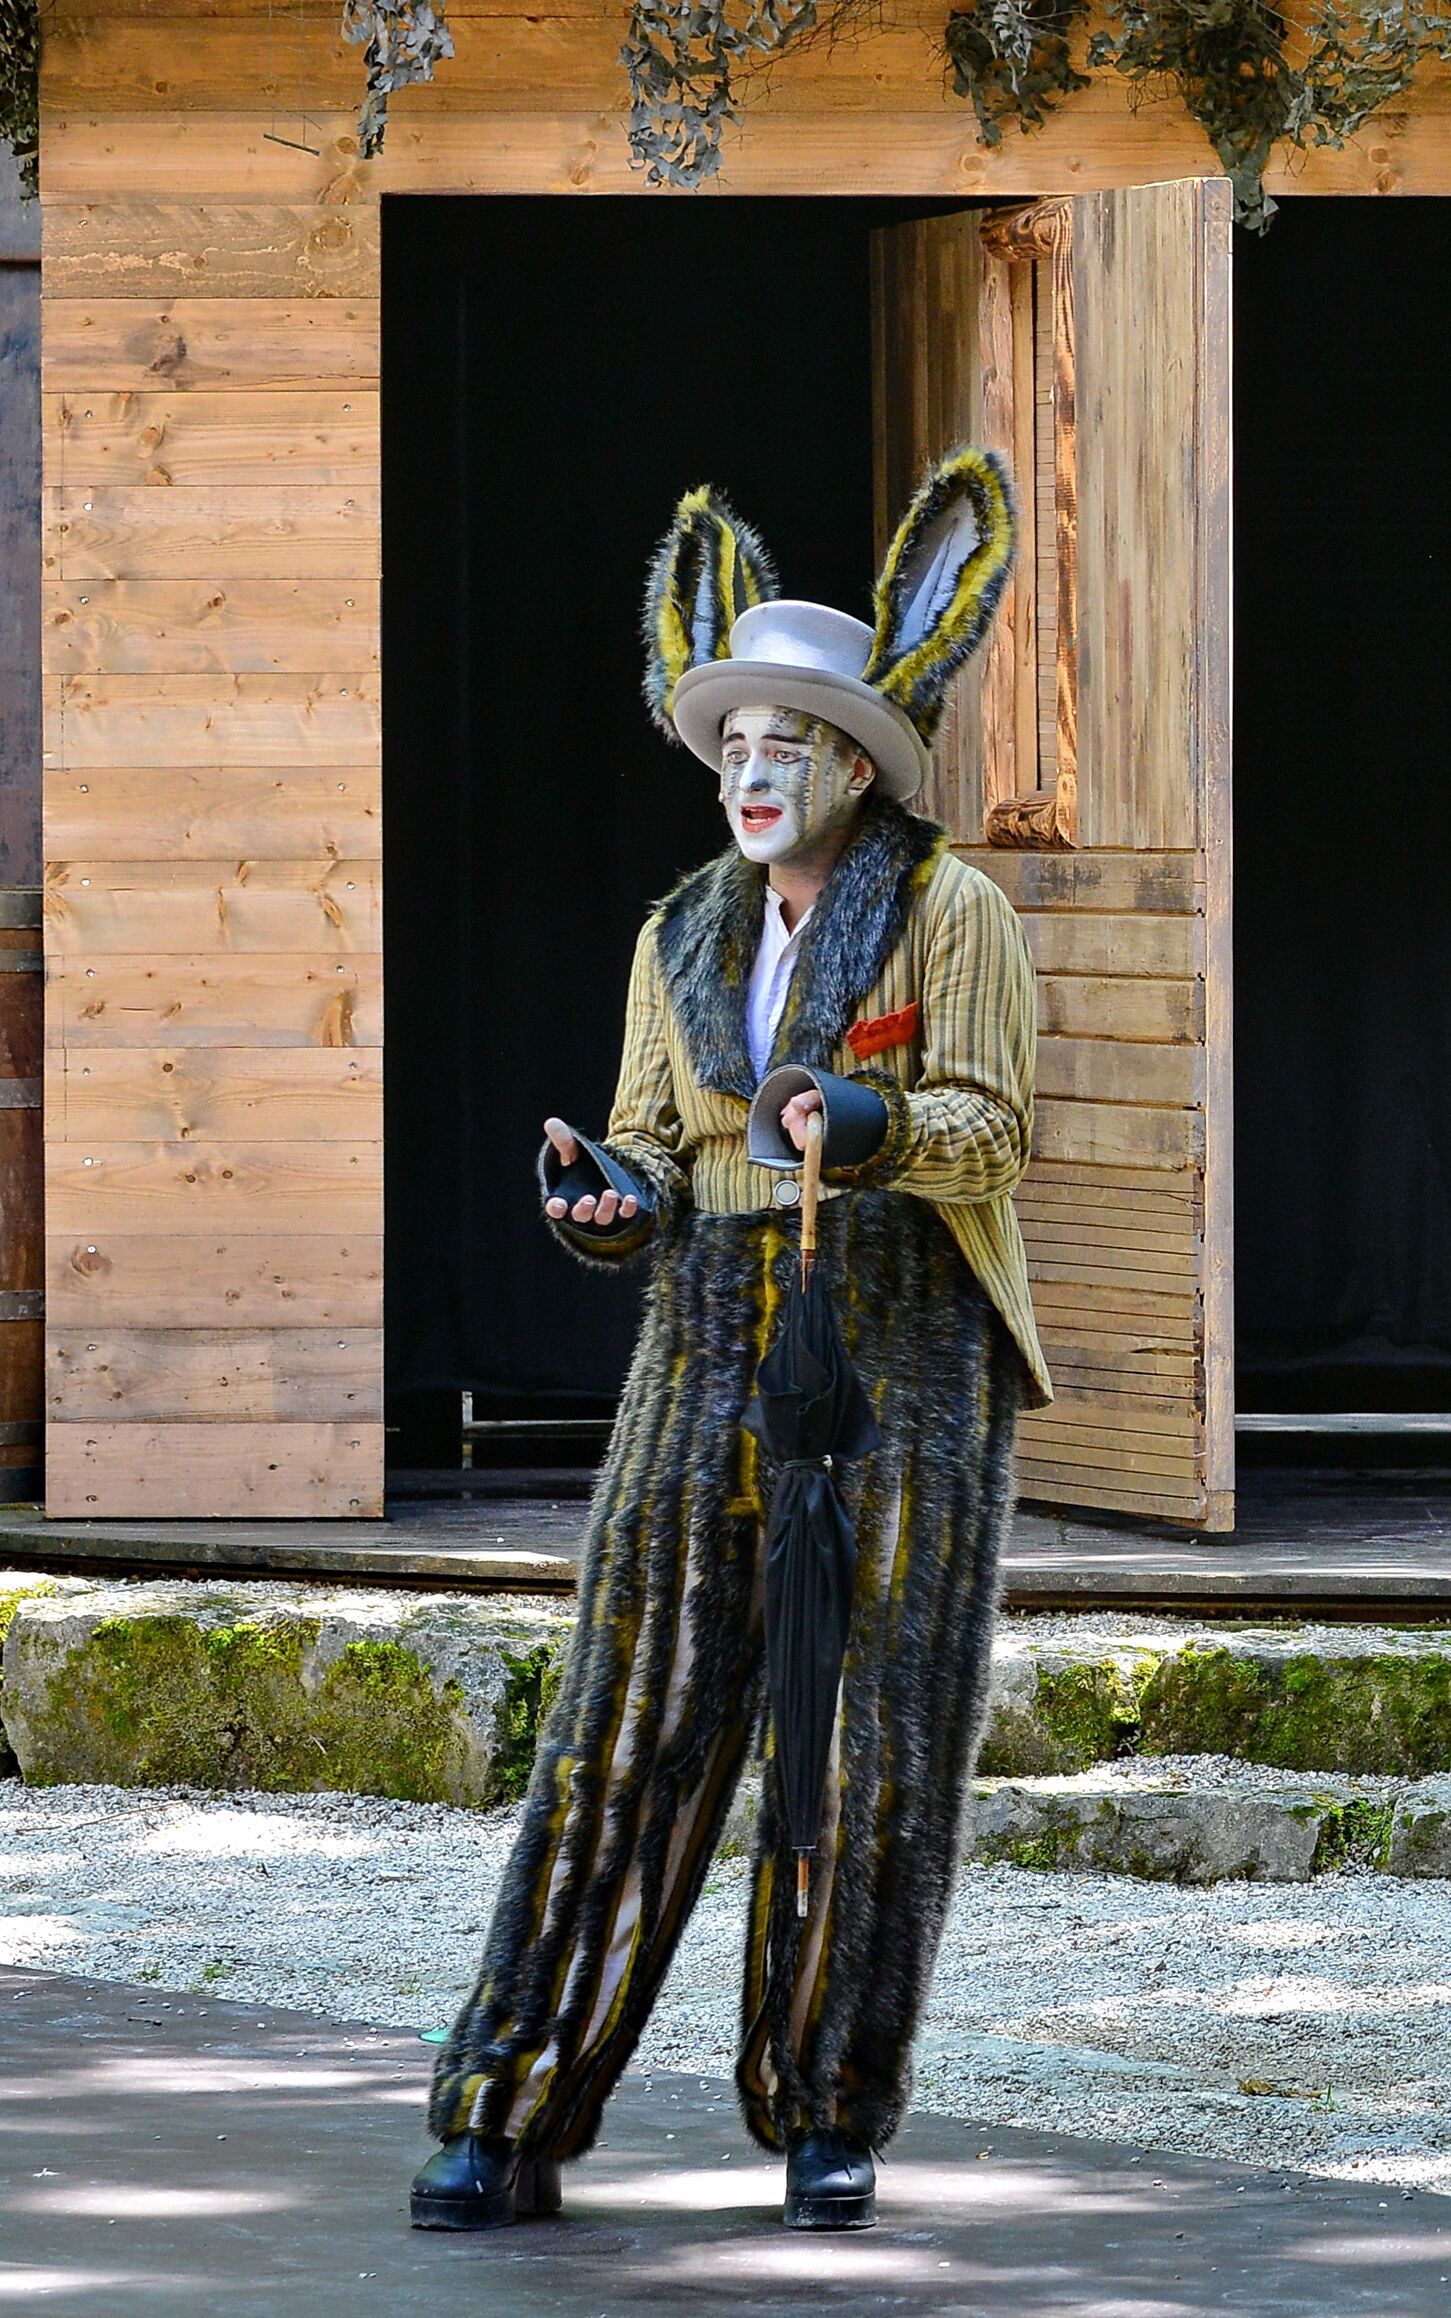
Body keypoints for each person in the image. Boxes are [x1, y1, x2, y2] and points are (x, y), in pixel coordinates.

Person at [411, 452, 1049, 2233]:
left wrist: (871, 1116)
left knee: (865, 1743)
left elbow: (997, 1128)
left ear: (859, 761)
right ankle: (508, 2101)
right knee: (623, 1723)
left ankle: (828, 2106)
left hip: (899, 1348)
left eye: (789, 745)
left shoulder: (952, 910)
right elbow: (656, 1139)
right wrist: (605, 1197)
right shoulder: (682, 930)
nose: (753, 774)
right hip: (705, 1342)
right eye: (735, 746)